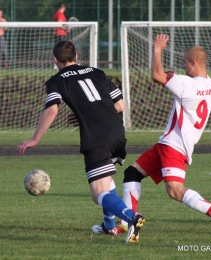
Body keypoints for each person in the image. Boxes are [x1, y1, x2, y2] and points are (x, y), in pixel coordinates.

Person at [93, 34, 211, 237]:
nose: (183, 67)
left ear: (193, 63)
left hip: (174, 147)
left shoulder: (186, 84)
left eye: (185, 63)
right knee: (132, 173)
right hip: (166, 144)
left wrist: (158, 49)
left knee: (175, 190)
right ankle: (126, 221)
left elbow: (157, 76)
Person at [17, 40, 145, 243]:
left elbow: (52, 109)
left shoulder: (56, 80)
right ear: (76, 57)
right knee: (106, 182)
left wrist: (35, 138)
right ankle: (109, 226)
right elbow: (120, 105)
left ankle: (131, 217)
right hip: (117, 132)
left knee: (97, 194)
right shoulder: (97, 72)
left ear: (55, 60)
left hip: (96, 137)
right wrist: (90, 113)